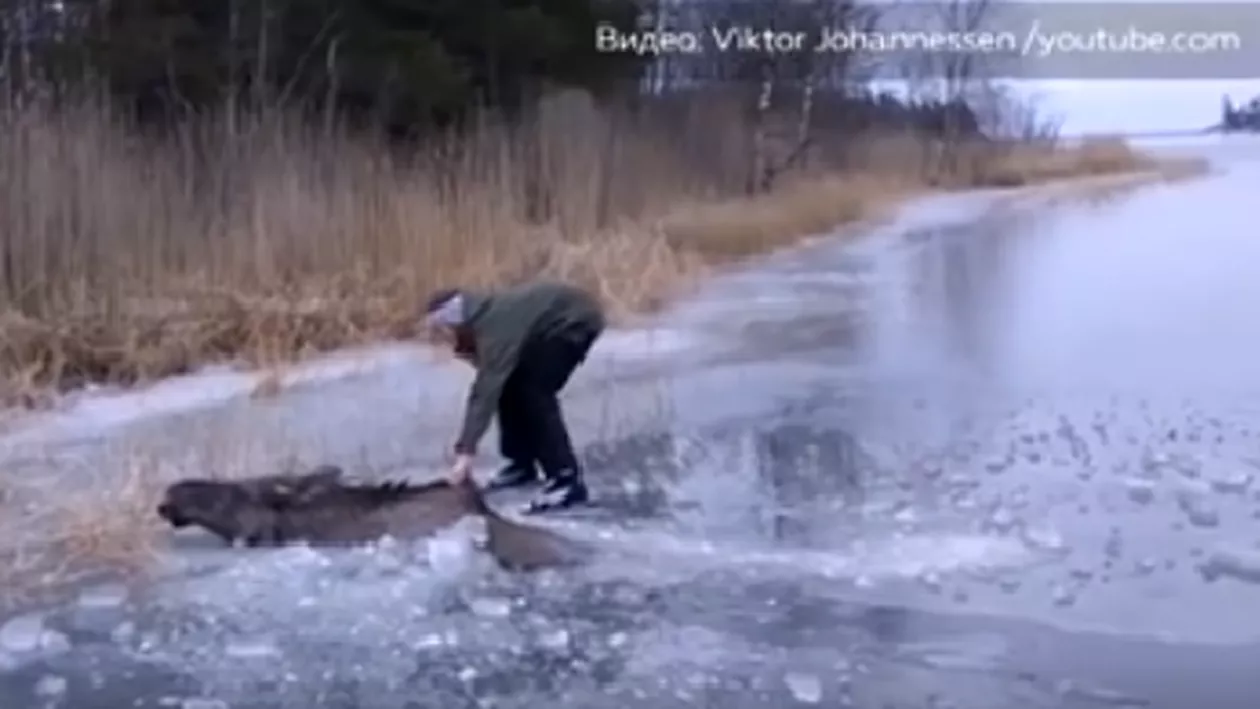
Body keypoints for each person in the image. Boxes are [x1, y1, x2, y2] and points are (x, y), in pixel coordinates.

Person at [423, 281, 605, 513]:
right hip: (554, 321)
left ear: (455, 319)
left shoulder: (493, 326)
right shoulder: (484, 319)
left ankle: (565, 480)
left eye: (445, 330)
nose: (445, 337)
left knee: (534, 391)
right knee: (511, 383)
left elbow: (485, 390)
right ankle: (521, 464)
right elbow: (495, 378)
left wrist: (465, 453)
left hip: (574, 321)